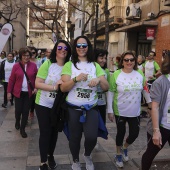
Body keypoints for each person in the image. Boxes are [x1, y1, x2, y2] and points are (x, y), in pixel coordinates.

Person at [60, 36, 109, 170]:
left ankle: (87, 155)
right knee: (74, 138)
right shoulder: (69, 65)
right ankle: (75, 160)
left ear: (88, 47)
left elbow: (106, 87)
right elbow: (63, 87)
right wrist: (75, 79)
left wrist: (99, 80)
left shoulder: (95, 65)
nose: (81, 48)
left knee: (92, 137)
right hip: (73, 108)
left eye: (84, 45)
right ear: (75, 48)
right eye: (79, 45)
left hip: (91, 108)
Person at [107, 51, 151, 168]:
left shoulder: (140, 74)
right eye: (126, 60)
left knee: (134, 134)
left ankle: (125, 147)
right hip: (120, 110)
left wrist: (150, 105)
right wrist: (110, 110)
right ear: (122, 62)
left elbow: (145, 90)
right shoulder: (116, 74)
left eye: (132, 60)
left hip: (135, 111)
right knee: (120, 133)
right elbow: (110, 93)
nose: (129, 62)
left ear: (135, 61)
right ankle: (118, 154)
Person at [35, 40, 71, 170]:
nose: (63, 50)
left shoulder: (69, 66)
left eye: (65, 48)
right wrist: (56, 87)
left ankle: (50, 156)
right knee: (45, 132)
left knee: (54, 133)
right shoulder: (48, 64)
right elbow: (37, 83)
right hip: (43, 104)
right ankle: (43, 161)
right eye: (60, 47)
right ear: (56, 49)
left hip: (58, 106)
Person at [141, 50, 170, 170]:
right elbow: (154, 107)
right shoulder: (161, 81)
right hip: (162, 126)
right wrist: (156, 131)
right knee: (150, 154)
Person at [7, 48, 37, 138]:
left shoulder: (33, 66)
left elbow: (37, 78)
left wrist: (35, 88)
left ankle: (22, 129)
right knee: (18, 110)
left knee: (25, 111)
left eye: (28, 55)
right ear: (21, 56)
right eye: (24, 55)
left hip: (28, 93)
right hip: (18, 92)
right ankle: (17, 121)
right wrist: (9, 92)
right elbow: (11, 80)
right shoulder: (16, 66)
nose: (26, 57)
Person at [29, 47, 39, 118]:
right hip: (27, 81)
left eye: (33, 53)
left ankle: (32, 110)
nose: (32, 54)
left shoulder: (39, 61)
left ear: (36, 53)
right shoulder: (26, 61)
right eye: (31, 53)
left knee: (33, 98)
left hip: (35, 81)